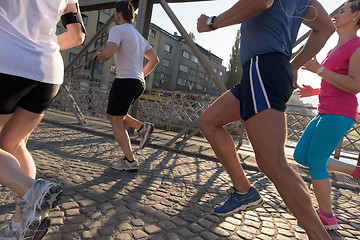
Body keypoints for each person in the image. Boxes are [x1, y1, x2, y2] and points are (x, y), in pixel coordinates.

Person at [197, 0, 335, 239]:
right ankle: (243, 190)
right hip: (262, 69)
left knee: (273, 163)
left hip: (263, 68)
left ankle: (319, 236)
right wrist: (294, 65)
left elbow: (260, 2)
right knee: (209, 122)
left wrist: (212, 23)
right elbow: (325, 28)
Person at [0, 0, 85, 239]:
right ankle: (21, 225)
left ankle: (31, 191)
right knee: (14, 144)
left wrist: (21, 46)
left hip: (6, 62)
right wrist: (37, 46)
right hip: (48, 70)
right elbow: (77, 36)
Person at [294, 0, 360, 230]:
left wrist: (320, 70)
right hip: (324, 110)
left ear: (356, 16)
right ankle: (356, 171)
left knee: (316, 162)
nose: (336, 14)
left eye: (342, 11)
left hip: (340, 112)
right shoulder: (334, 48)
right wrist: (315, 89)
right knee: (301, 156)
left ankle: (327, 217)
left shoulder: (357, 46)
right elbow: (335, 80)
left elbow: (354, 85)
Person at [94, 1, 159, 172]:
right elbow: (154, 59)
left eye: (115, 13)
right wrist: (140, 75)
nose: (114, 15)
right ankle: (142, 127)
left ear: (120, 13)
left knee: (115, 119)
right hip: (137, 82)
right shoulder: (138, 35)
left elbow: (107, 54)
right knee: (114, 114)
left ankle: (130, 162)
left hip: (125, 80)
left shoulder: (117, 30)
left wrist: (97, 56)